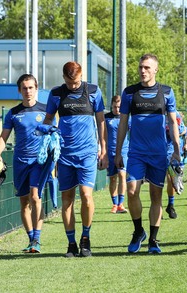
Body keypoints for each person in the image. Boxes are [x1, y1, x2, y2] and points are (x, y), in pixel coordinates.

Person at [115, 53, 180, 254]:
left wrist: (176, 150)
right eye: (141, 67)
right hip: (136, 153)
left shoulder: (167, 92)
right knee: (132, 190)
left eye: (147, 68)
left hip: (159, 154)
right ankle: (138, 231)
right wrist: (118, 152)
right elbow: (123, 123)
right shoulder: (129, 93)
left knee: (155, 196)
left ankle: (153, 240)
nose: (143, 71)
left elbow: (172, 122)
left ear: (155, 70)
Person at [43, 61, 108, 257]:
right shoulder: (56, 94)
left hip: (88, 153)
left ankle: (85, 238)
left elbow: (100, 121)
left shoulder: (94, 91)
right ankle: (71, 243)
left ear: (82, 76)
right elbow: (48, 119)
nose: (74, 86)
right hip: (64, 155)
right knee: (67, 200)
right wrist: (47, 133)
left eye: (77, 82)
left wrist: (103, 148)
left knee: (87, 196)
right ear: (64, 78)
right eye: (70, 83)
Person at [0, 74, 50, 253]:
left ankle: (37, 239)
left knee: (35, 197)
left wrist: (53, 160)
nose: (28, 91)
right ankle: (31, 239)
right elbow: (4, 136)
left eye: (31, 88)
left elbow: (53, 135)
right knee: (24, 202)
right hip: (20, 162)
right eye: (24, 88)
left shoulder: (46, 111)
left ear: (36, 89)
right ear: (19, 90)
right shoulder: (14, 113)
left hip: (38, 162)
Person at [105, 95, 129, 214]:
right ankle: (114, 204)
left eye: (119, 107)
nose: (117, 109)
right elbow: (102, 134)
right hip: (110, 152)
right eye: (115, 107)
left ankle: (121, 203)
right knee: (113, 178)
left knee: (122, 175)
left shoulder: (125, 118)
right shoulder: (106, 118)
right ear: (112, 106)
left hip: (123, 150)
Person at [164, 110, 187, 219]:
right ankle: (157, 208)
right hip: (157, 150)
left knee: (171, 179)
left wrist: (172, 131)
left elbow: (183, 130)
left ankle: (170, 204)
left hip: (172, 151)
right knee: (156, 182)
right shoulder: (153, 113)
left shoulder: (175, 114)